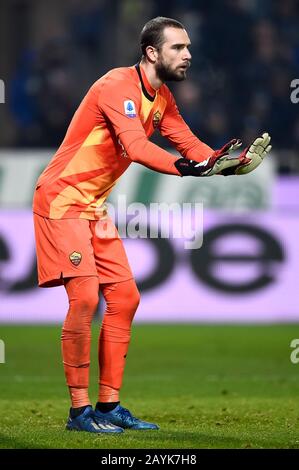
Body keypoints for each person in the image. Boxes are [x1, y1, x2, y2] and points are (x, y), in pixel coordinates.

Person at [32, 16, 271, 434]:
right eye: (178, 47)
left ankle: (108, 407)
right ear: (151, 52)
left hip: (92, 207)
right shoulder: (115, 85)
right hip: (61, 199)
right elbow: (137, 147)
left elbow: (192, 147)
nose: (188, 55)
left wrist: (228, 165)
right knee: (86, 299)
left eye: (188, 47)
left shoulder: (162, 101)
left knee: (125, 297)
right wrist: (193, 168)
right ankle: (78, 413)